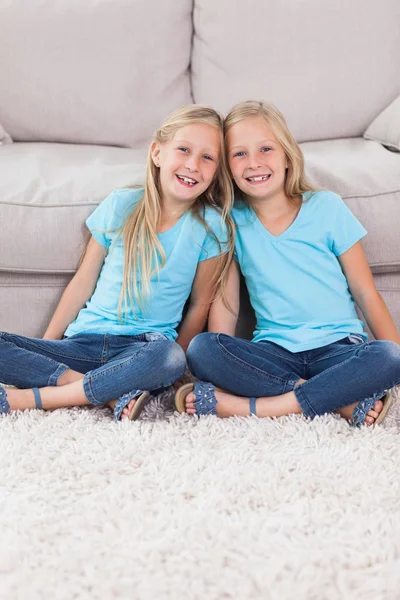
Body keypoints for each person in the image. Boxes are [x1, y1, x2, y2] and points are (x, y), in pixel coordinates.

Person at [0, 105, 234, 421]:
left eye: (208, 157)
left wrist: (176, 370)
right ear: (157, 153)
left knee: (170, 357)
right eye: (183, 150)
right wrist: (46, 346)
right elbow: (81, 283)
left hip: (143, 349)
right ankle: (98, 391)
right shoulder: (122, 205)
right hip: (82, 343)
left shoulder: (210, 226)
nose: (193, 165)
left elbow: (199, 306)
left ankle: (30, 399)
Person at [175, 100, 400, 427]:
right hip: (274, 356)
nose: (254, 163)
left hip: (338, 351)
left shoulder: (327, 207)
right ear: (228, 167)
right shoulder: (232, 223)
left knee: (388, 357)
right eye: (239, 154)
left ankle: (253, 408)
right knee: (203, 349)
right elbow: (227, 304)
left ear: (286, 155)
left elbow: (366, 293)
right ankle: (338, 402)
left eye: (265, 149)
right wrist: (221, 362)